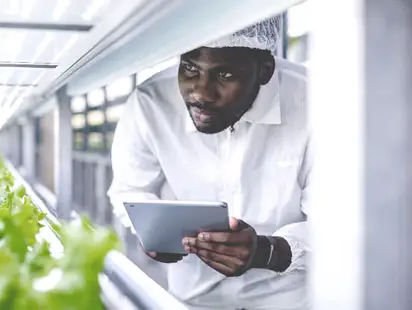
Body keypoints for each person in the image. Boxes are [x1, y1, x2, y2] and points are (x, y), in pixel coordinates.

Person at [107, 16, 310, 310]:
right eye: (190, 68)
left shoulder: (317, 101)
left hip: (288, 300)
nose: (201, 93)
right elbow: (129, 189)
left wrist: (269, 252)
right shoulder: (150, 103)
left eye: (225, 75)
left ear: (265, 70)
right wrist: (152, 233)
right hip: (192, 300)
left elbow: (340, 220)